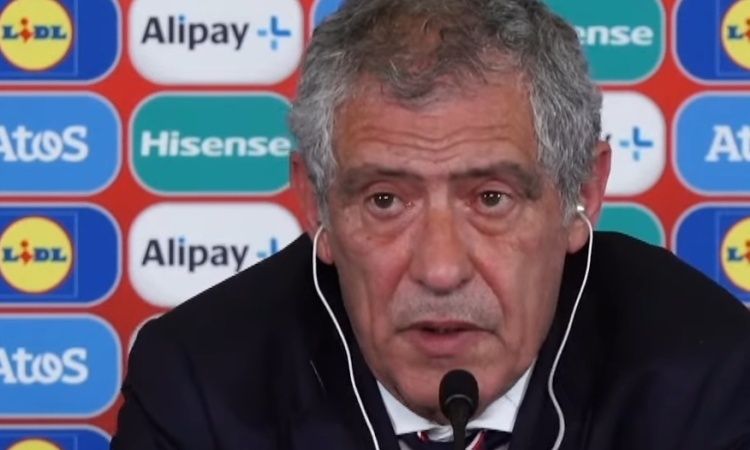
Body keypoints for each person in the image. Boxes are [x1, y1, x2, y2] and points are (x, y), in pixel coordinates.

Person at [110, 0, 750, 448]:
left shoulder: (711, 377)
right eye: (386, 201)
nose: (440, 270)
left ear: (581, 192)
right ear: (318, 204)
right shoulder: (198, 384)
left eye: (491, 198)